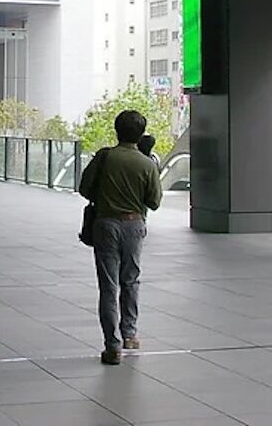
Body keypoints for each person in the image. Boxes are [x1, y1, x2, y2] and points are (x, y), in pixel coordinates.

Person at [79, 109, 163, 365]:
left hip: (105, 224)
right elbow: (155, 201)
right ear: (140, 134)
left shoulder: (105, 158)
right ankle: (130, 333)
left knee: (108, 285)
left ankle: (112, 345)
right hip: (134, 225)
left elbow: (84, 188)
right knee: (131, 280)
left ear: (117, 130)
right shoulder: (146, 163)